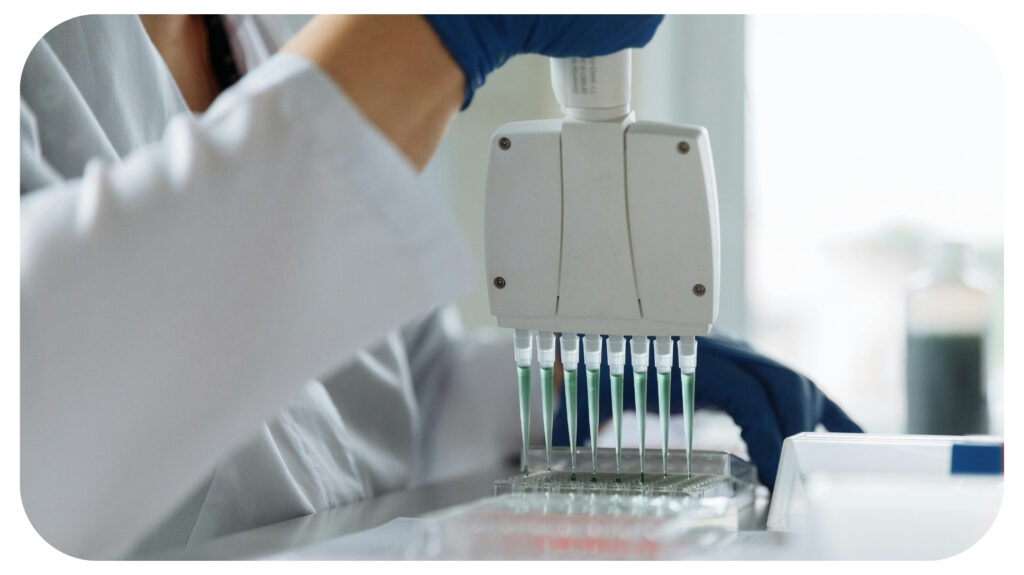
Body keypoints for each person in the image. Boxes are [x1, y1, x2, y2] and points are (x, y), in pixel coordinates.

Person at [20, 15, 860, 559]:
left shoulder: (267, 36)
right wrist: (424, 35)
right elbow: (36, 420)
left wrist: (582, 382)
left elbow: (396, 394)